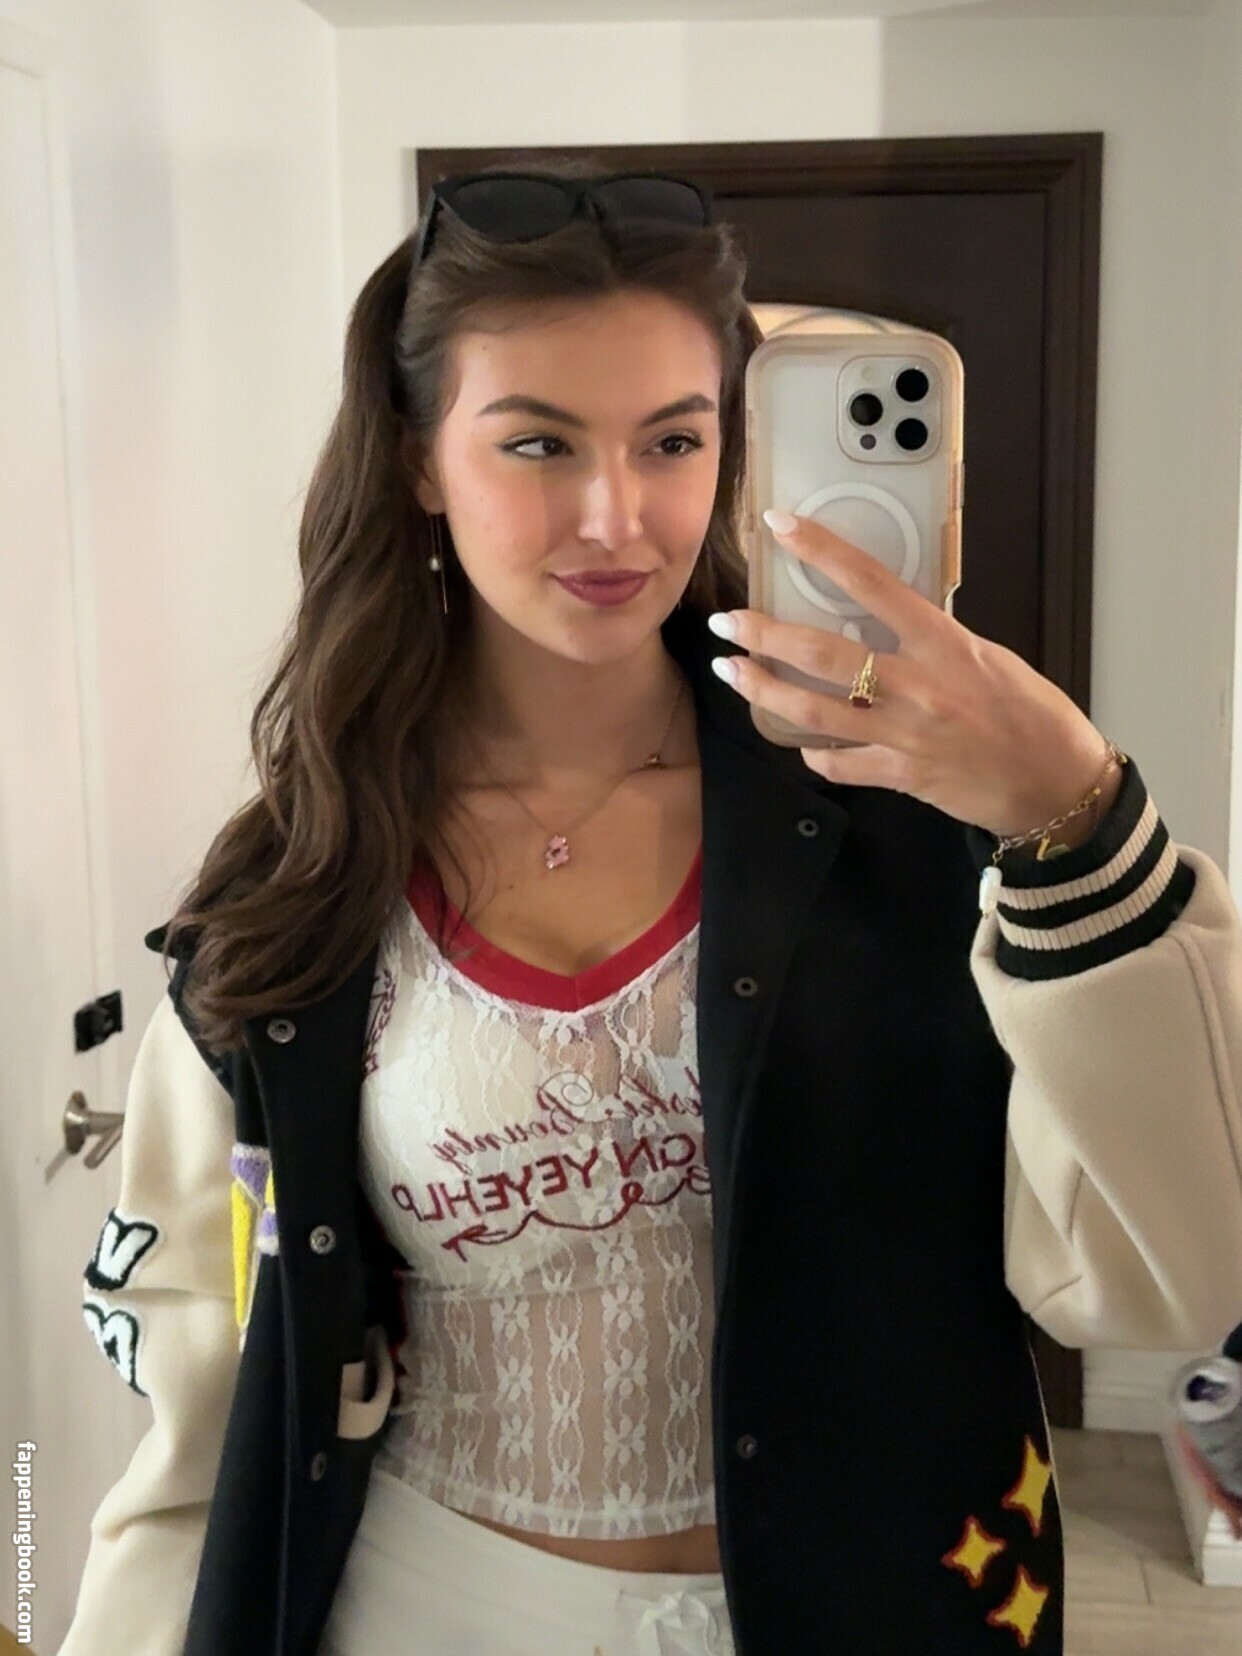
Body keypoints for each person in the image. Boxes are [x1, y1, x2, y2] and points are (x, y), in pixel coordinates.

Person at [61, 158, 1242, 1656]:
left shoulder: (906, 827)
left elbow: (1173, 1274)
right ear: (420, 459)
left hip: (873, 1606)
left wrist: (1069, 810)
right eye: (537, 442)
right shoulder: (302, 882)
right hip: (427, 1606)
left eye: (672, 440)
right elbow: (204, 1390)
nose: (615, 516)